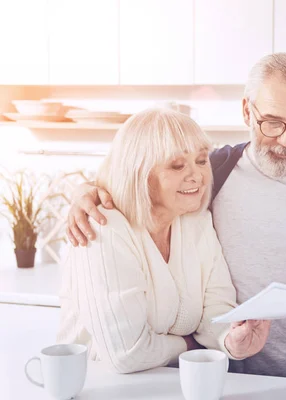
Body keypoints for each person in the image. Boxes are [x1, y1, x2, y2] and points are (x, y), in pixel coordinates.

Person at [64, 53, 286, 383]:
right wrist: (88, 190)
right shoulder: (212, 173)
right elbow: (147, 177)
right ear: (247, 111)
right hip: (229, 382)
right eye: (273, 123)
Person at [57, 108, 270, 374]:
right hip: (100, 388)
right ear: (140, 173)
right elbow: (126, 354)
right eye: (177, 165)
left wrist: (230, 340)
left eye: (202, 160)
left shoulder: (196, 222)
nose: (197, 176)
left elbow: (216, 306)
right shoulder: (104, 227)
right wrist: (191, 345)